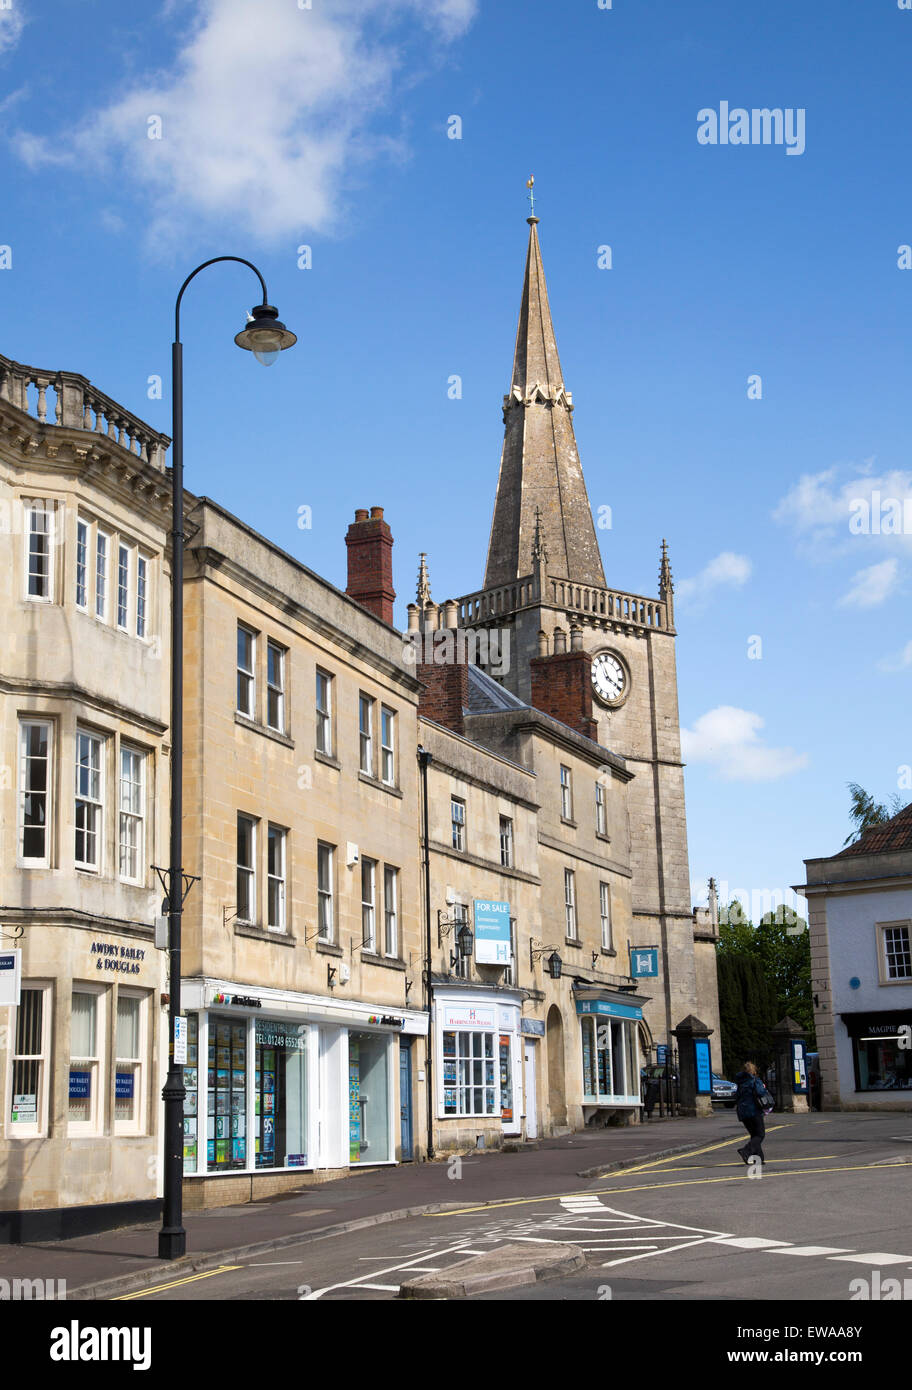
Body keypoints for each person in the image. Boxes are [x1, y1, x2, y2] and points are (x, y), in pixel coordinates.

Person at [734, 1060, 768, 1165]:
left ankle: (758, 1158)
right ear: (753, 1070)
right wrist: (763, 1086)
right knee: (760, 1134)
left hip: (742, 1112)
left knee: (754, 1134)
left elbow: (736, 1096)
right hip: (753, 1110)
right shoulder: (754, 1080)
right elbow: (760, 1092)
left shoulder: (740, 1082)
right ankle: (746, 1151)